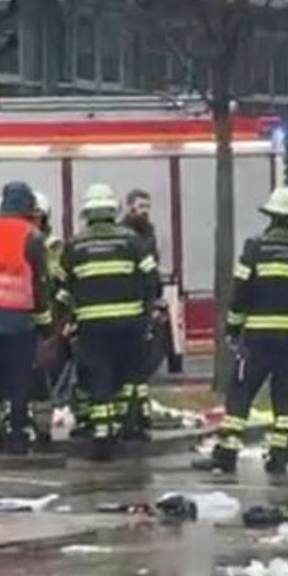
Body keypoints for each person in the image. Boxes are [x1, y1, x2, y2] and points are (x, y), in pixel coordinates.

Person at [209, 187, 288, 477]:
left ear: (271, 216)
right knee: (285, 396)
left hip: (258, 337)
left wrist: (233, 327)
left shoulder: (255, 248)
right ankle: (280, 455)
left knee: (241, 393)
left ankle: (227, 454)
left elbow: (240, 291)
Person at [60, 183, 160, 461]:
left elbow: (63, 290)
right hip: (130, 324)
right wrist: (144, 307)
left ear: (87, 213)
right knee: (129, 376)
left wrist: (70, 316)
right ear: (113, 211)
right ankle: (130, 425)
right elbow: (153, 281)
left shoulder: (74, 245)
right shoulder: (132, 241)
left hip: (93, 327)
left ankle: (103, 435)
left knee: (99, 377)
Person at [0, 180, 53, 454]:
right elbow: (40, 284)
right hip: (20, 321)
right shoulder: (33, 237)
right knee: (18, 381)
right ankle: (16, 434)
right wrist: (46, 325)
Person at [121, 189, 164, 440]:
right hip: (129, 307)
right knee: (130, 369)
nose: (145, 210)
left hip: (143, 306)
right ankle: (129, 418)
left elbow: (152, 270)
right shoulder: (126, 236)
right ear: (129, 207)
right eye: (140, 206)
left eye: (147, 206)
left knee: (142, 368)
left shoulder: (149, 233)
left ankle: (140, 415)